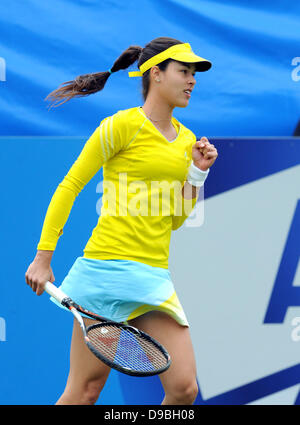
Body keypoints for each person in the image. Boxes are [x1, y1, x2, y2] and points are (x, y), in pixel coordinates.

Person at [25, 37, 218, 405]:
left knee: (184, 389)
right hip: (104, 273)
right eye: (184, 71)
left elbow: (174, 221)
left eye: (194, 74)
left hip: (152, 277)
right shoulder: (120, 126)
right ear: (156, 75)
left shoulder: (189, 141)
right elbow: (70, 186)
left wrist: (197, 173)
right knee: (84, 392)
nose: (192, 80)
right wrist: (43, 256)